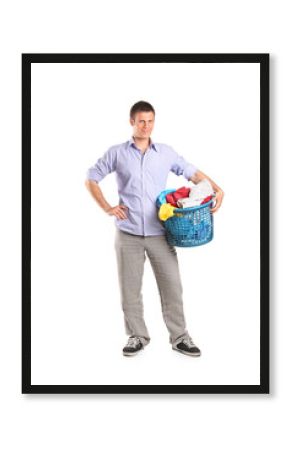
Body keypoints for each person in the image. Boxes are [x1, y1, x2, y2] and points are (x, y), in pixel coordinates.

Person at [85, 101, 224, 357]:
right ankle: (137, 336)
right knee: (130, 289)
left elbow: (192, 173)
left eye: (150, 121)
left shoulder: (166, 153)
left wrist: (217, 189)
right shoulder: (117, 153)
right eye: (141, 121)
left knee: (172, 285)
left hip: (160, 232)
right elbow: (91, 177)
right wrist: (107, 207)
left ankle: (180, 337)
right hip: (127, 233)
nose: (146, 126)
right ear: (131, 122)